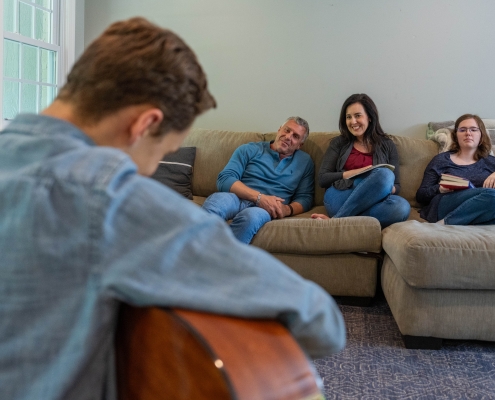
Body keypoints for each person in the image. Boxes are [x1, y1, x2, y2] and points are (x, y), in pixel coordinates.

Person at [0, 18, 345, 400]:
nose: (147, 170)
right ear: (144, 125)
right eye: (161, 153)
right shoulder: (108, 199)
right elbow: (321, 321)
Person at [202, 117, 314, 243]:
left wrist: (286, 210)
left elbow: (305, 198)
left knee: (250, 218)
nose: (288, 137)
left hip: (264, 210)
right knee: (216, 202)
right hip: (237, 198)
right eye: (287, 130)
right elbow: (225, 179)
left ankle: (221, 259)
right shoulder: (249, 149)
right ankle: (190, 252)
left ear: (300, 145)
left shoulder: (305, 162)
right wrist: (259, 197)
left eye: (295, 136)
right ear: (279, 130)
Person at [311, 93, 410, 228]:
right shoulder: (338, 143)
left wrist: (382, 186)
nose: (353, 122)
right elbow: (323, 178)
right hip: (341, 194)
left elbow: (396, 186)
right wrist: (357, 172)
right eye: (348, 117)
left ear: (369, 117)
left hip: (374, 199)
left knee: (401, 206)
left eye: (358, 116)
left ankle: (337, 221)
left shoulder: (387, 145)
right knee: (385, 174)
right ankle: (344, 220)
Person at [416, 114, 495, 225]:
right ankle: (445, 223)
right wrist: (440, 189)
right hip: (446, 203)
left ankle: (462, 221)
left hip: (481, 206)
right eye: (462, 130)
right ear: (456, 136)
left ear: (481, 136)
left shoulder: (490, 161)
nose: (468, 133)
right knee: (492, 195)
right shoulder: (441, 160)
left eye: (473, 129)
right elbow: (421, 195)